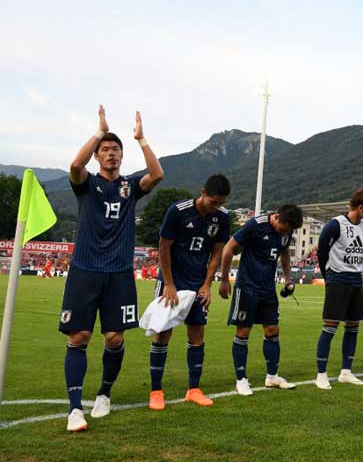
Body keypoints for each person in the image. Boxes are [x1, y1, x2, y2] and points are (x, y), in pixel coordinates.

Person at [60, 106, 164, 432]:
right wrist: (99, 131)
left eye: (116, 150)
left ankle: (104, 393)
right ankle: (75, 409)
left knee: (115, 338)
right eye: (105, 150)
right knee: (79, 336)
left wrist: (141, 138)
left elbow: (157, 174)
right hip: (84, 270)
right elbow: (75, 165)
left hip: (119, 272)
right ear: (97, 156)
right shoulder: (86, 184)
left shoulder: (130, 187)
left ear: (122, 155)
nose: (111, 154)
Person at [147, 174, 231, 411]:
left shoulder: (222, 217)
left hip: (198, 282)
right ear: (202, 192)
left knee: (197, 333)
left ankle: (193, 389)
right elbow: (164, 246)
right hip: (173, 279)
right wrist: (169, 283)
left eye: (220, 203)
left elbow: (216, 253)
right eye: (213, 201)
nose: (216, 206)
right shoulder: (178, 211)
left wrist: (207, 285)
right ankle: (156, 391)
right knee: (163, 332)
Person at [218, 204, 303, 395]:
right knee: (243, 331)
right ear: (277, 217)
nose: (286, 232)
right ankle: (241, 380)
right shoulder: (255, 225)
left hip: (267, 289)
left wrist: (288, 279)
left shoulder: (286, 233)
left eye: (289, 230)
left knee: (273, 330)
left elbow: (284, 253)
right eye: (284, 228)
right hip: (247, 286)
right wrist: (224, 280)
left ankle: (272, 377)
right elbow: (229, 248)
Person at [314, 189, 363, 389]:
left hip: (356, 279)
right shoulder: (335, 224)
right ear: (360, 207)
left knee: (353, 326)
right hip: (337, 278)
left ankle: (346, 372)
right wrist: (329, 277)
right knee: (330, 326)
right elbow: (322, 251)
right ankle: (321, 375)